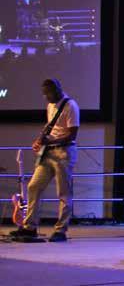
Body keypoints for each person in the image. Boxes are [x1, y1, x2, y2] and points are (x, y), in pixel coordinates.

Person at [8, 79, 79, 242]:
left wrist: (51, 141)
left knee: (63, 193)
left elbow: (72, 135)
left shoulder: (71, 106)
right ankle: (30, 227)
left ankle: (61, 230)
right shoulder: (50, 106)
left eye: (48, 93)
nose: (46, 97)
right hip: (48, 153)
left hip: (64, 152)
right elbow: (50, 126)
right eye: (44, 94)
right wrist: (40, 140)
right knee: (33, 186)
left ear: (58, 90)